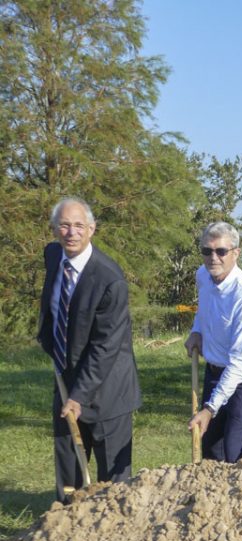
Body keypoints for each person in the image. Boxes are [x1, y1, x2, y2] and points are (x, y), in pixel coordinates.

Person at [37, 197, 141, 502]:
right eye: (65, 225)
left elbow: (105, 347)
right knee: (68, 464)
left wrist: (79, 395)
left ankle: (113, 533)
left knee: (113, 483)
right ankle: (65, 525)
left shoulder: (110, 280)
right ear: (55, 229)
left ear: (92, 229)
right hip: (65, 377)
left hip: (109, 388)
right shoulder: (54, 255)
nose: (72, 232)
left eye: (79, 225)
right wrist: (49, 343)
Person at [185, 221, 242, 463]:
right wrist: (197, 330)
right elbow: (205, 307)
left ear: (236, 253)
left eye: (221, 251)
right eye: (207, 251)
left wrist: (210, 409)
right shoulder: (204, 275)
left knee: (235, 453)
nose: (213, 257)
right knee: (211, 451)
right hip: (215, 371)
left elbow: (240, 364)